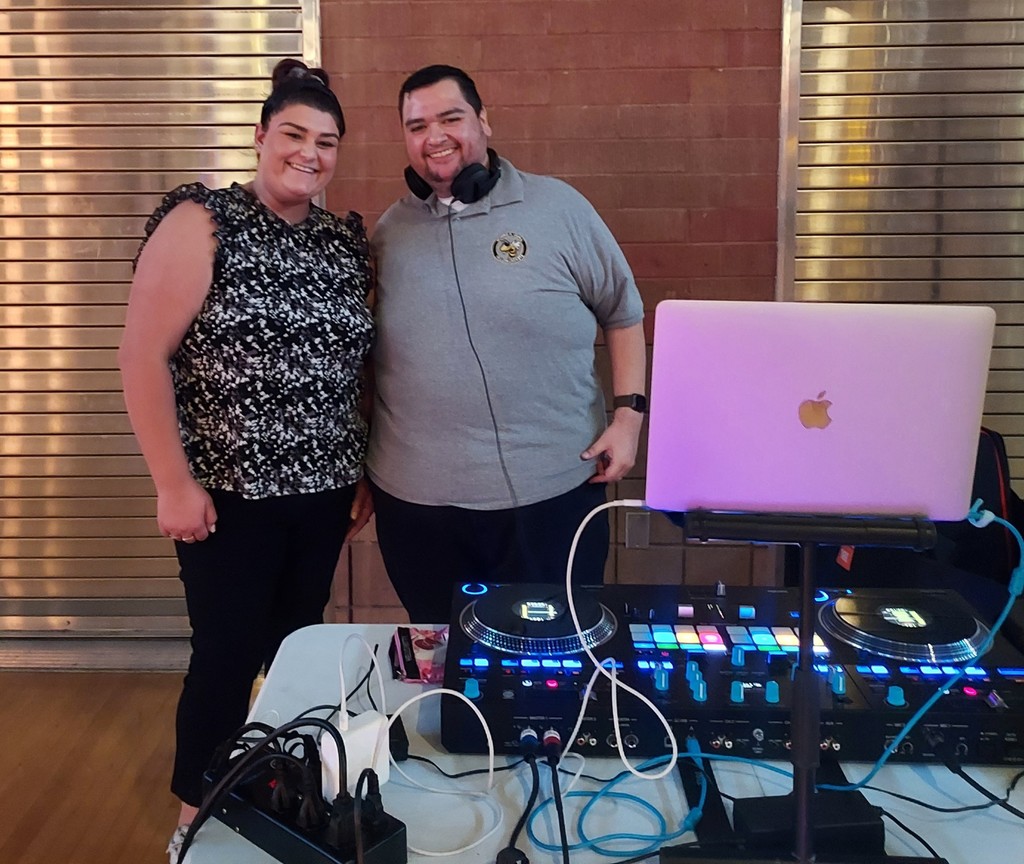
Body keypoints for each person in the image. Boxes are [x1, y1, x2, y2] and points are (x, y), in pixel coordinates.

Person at [117, 59, 374, 862]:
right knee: (226, 654)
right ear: (261, 136)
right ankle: (197, 813)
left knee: (296, 644)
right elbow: (140, 356)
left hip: (324, 490)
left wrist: (358, 467)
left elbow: (354, 366)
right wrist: (172, 482)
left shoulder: (342, 241)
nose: (309, 153)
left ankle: (273, 786)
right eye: (293, 134)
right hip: (227, 496)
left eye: (325, 141)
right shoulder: (204, 220)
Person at [367, 64, 646, 623]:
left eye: (451, 118)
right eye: (417, 125)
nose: (435, 136)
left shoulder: (559, 209)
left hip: (551, 495)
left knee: (551, 666)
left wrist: (629, 417)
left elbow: (623, 311)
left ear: (484, 121)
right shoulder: (388, 234)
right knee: (444, 664)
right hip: (418, 508)